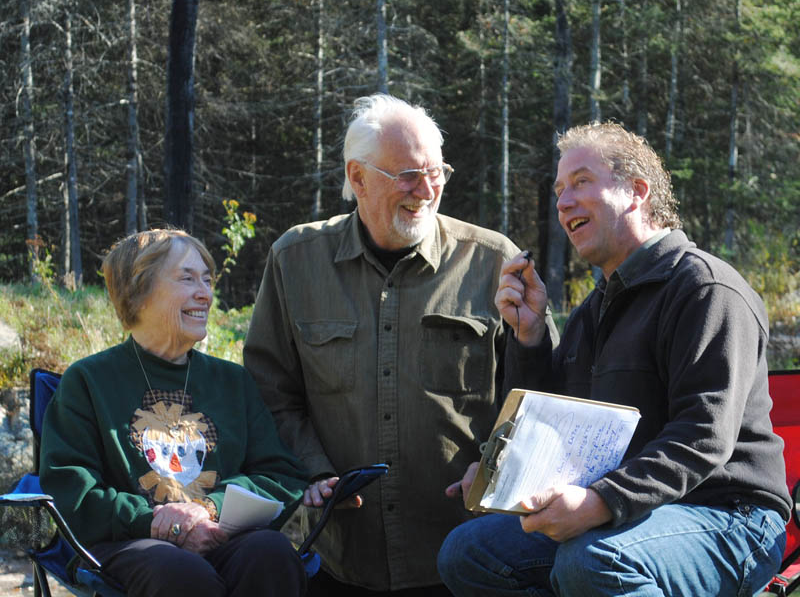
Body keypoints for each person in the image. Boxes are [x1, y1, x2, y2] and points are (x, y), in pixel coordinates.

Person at [437, 121, 791, 596]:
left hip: (730, 516)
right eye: (559, 190)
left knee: (593, 560)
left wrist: (602, 500)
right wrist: (531, 335)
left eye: (581, 182)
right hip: (632, 513)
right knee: (468, 553)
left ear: (637, 191)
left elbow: (703, 438)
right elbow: (557, 420)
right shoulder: (594, 308)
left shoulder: (706, 290)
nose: (562, 203)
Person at [243, 93, 555, 595]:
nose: (426, 190)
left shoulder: (492, 260)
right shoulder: (296, 261)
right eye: (408, 175)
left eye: (437, 172)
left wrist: (497, 467)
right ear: (359, 177)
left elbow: (541, 400)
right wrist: (314, 470)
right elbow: (268, 391)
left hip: (463, 556)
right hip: (340, 555)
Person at [39, 229, 309, 597]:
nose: (206, 293)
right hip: (130, 545)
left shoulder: (232, 381)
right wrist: (157, 522)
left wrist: (209, 509)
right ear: (139, 291)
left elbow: (281, 475)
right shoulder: (87, 382)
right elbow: (72, 495)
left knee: (272, 553)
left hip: (222, 535)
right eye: (187, 278)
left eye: (207, 280)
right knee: (179, 572)